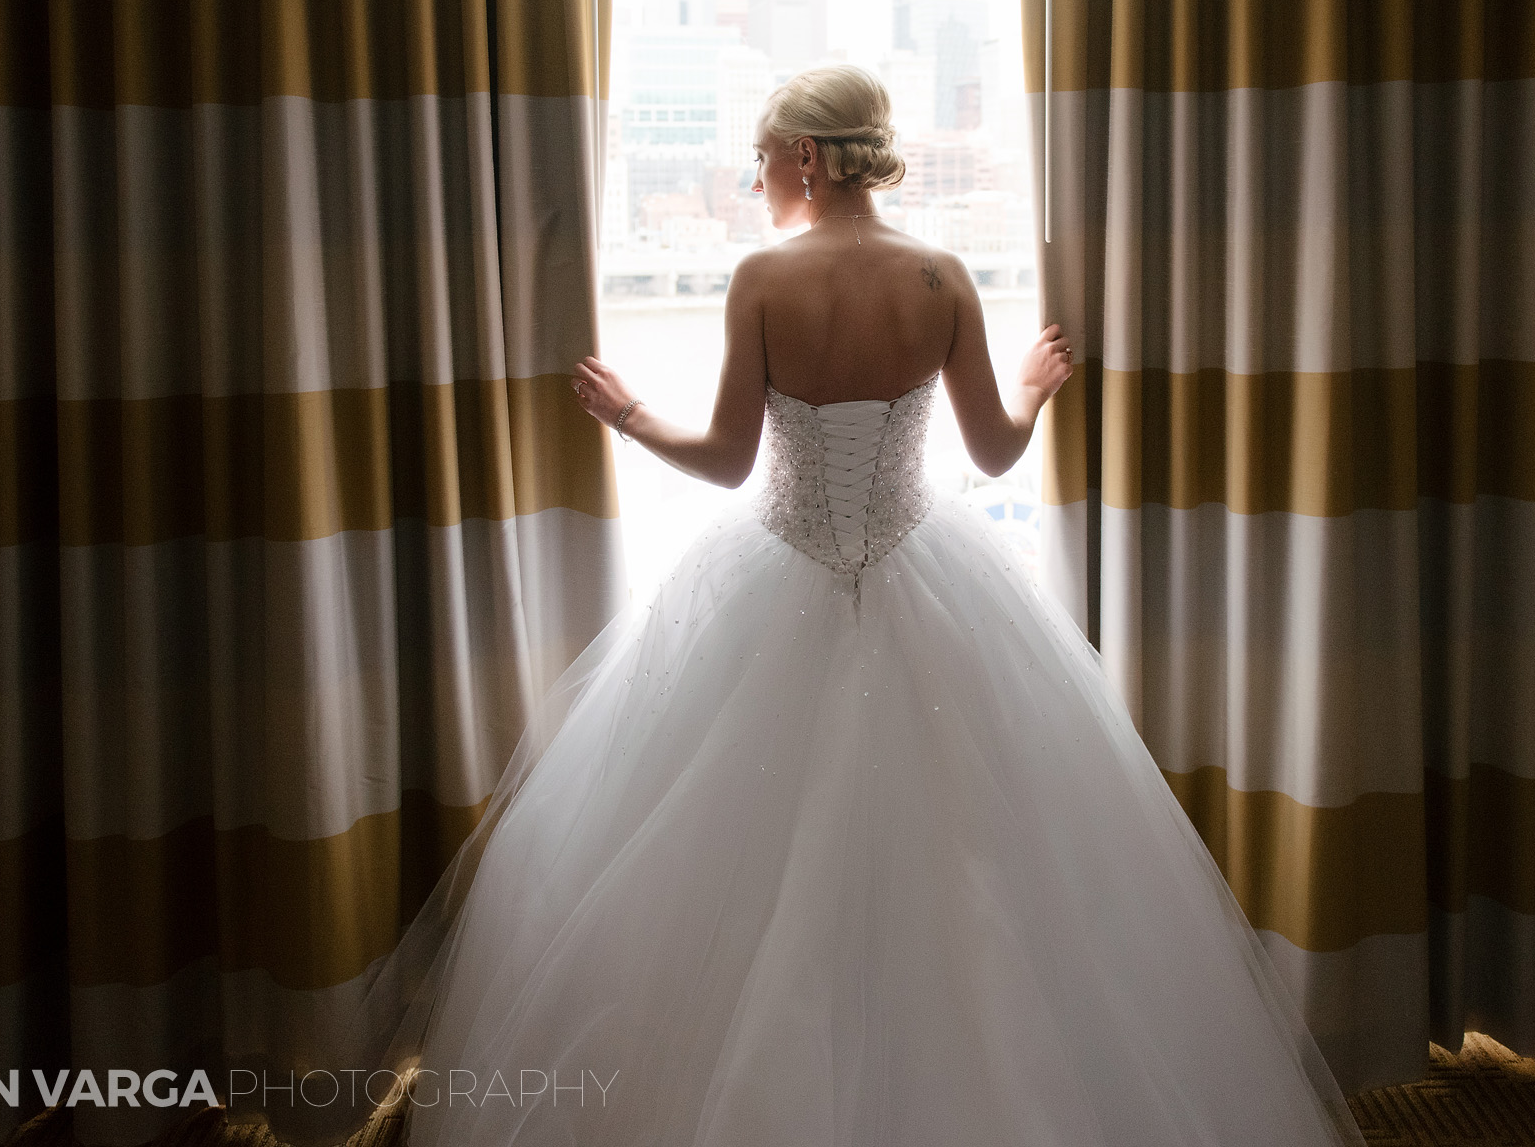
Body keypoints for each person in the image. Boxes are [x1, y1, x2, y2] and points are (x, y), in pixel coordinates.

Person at [284, 64, 1364, 1147]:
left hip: (782, 572)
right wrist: (1034, 386)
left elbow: (721, 458)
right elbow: (992, 451)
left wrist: (626, 414)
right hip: (923, 564)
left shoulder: (760, 277)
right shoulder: (940, 277)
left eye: (760, 160)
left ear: (806, 156)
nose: (756, 184)